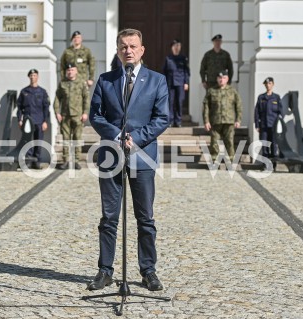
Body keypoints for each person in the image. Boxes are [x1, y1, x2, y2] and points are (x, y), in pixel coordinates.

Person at [88, 28, 169, 292]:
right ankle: (105, 270)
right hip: (112, 155)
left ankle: (148, 271)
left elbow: (162, 117)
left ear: (142, 50)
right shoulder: (106, 80)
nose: (128, 51)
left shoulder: (157, 80)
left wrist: (137, 137)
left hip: (142, 157)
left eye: (133, 46)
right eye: (123, 46)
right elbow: (96, 116)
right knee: (109, 218)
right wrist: (117, 134)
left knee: (145, 219)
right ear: (117, 50)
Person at [53, 62, 89, 170]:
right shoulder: (62, 83)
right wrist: (57, 112)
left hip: (78, 116)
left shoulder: (82, 83)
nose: (70, 72)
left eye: (72, 70)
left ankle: (76, 160)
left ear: (76, 71)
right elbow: (57, 99)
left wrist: (85, 112)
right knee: (66, 139)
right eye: (68, 70)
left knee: (77, 138)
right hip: (65, 115)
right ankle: (65, 161)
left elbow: (86, 99)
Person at [203, 70, 242, 162]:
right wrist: (206, 121)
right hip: (215, 121)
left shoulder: (233, 91)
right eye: (219, 78)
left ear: (227, 79)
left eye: (223, 78)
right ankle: (214, 161)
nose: (221, 80)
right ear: (217, 79)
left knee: (229, 142)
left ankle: (231, 160)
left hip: (229, 121)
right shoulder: (211, 91)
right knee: (214, 142)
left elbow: (239, 106)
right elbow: (206, 107)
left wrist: (238, 120)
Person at [17, 68, 51, 169]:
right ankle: (28, 160)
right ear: (29, 77)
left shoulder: (42, 92)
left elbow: (46, 108)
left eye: (35, 75)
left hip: (39, 121)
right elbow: (19, 107)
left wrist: (45, 121)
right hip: (27, 121)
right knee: (27, 141)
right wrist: (20, 119)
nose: (33, 77)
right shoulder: (24, 91)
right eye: (31, 76)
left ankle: (36, 161)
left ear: (38, 77)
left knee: (38, 141)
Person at [254, 77, 284, 167]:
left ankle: (273, 164)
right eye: (266, 84)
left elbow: (281, 113)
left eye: (270, 83)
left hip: (274, 126)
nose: (268, 85)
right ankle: (265, 165)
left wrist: (280, 125)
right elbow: (257, 112)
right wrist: (257, 124)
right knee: (264, 145)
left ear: (273, 84)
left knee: (274, 145)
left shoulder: (277, 97)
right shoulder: (261, 97)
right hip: (264, 125)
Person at [162, 39, 190, 127]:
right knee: (170, 102)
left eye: (178, 46)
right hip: (170, 84)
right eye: (175, 46)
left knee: (179, 102)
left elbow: (187, 72)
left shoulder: (183, 58)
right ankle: (170, 121)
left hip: (180, 83)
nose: (177, 48)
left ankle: (178, 121)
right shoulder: (168, 58)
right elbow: (164, 71)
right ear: (172, 48)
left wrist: (186, 83)